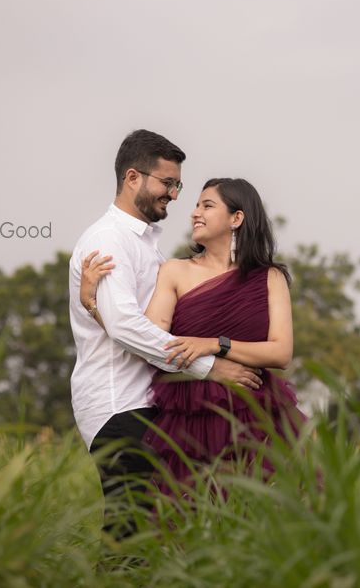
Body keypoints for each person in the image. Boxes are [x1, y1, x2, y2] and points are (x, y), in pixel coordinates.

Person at [69, 130, 263, 538]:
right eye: (167, 183)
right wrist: (211, 368)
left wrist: (91, 307)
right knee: (134, 533)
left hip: (150, 402)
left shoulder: (149, 250)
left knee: (162, 532)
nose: (175, 195)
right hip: (118, 403)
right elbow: (124, 326)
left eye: (179, 185)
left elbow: (157, 325)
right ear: (133, 178)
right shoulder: (109, 240)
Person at [79, 177, 304, 496]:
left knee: (260, 516)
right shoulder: (174, 271)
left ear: (236, 218)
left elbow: (281, 353)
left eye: (207, 206)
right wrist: (92, 305)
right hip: (189, 418)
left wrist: (216, 344)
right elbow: (148, 342)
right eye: (196, 205)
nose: (194, 213)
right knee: (186, 519)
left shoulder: (270, 277)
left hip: (257, 414)